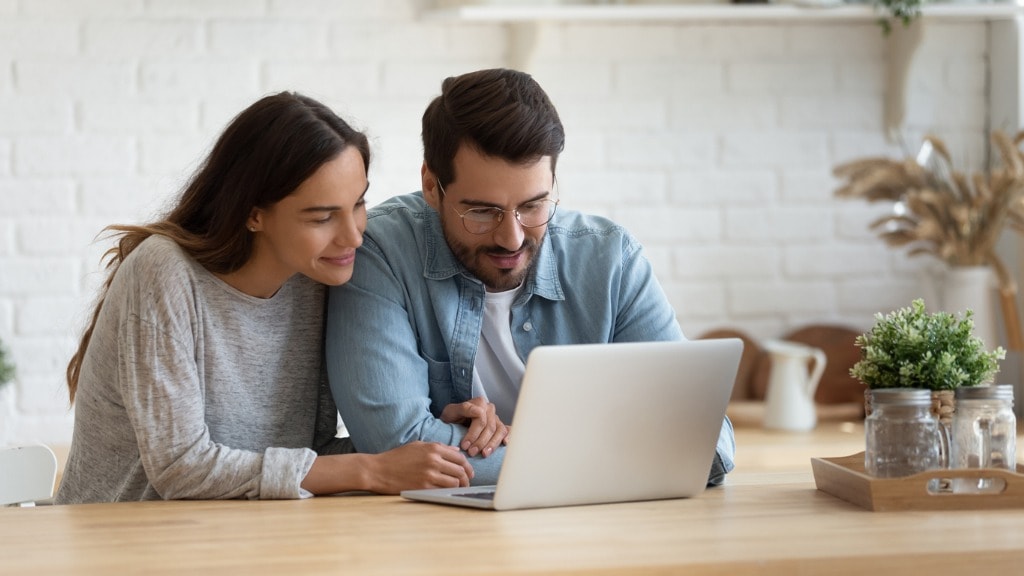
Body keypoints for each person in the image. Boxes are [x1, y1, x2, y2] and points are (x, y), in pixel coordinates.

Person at [56, 92, 473, 504]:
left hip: (242, 538)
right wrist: (370, 469)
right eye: (322, 216)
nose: (354, 235)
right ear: (254, 213)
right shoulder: (164, 272)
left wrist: (426, 442)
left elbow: (300, 462)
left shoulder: (316, 278)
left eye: (358, 203)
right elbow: (181, 468)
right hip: (122, 544)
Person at [325, 68, 735, 486]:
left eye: (534, 205)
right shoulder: (380, 252)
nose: (511, 238)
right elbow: (393, 444)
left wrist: (521, 448)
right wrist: (612, 455)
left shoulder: (611, 259)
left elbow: (706, 442)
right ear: (432, 185)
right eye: (482, 212)